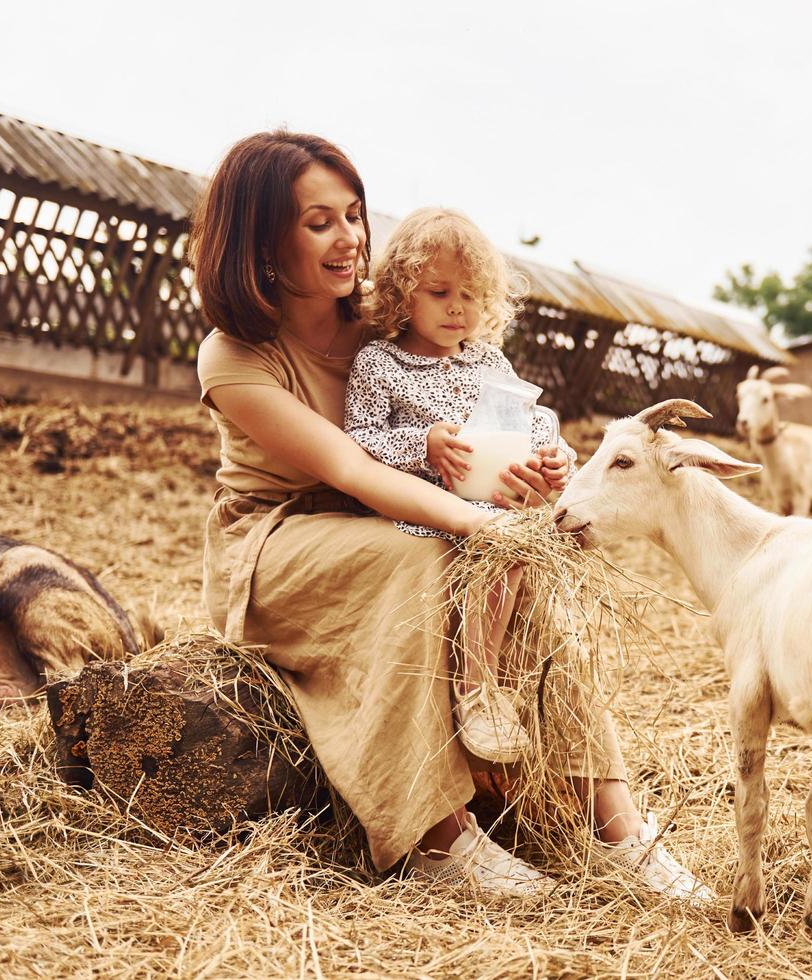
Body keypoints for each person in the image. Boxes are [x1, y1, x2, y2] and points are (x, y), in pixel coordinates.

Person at [190, 130, 713, 902]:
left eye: (355, 214)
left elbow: (487, 423)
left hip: (403, 512)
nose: (349, 238)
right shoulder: (235, 356)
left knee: (515, 570)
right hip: (281, 540)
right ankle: (437, 835)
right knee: (427, 556)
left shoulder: (397, 327)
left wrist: (524, 477)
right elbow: (351, 468)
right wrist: (478, 523)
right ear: (262, 239)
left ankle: (616, 825)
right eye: (318, 221)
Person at [343, 208, 571, 767]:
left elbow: (532, 418)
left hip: (490, 500)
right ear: (401, 294)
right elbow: (360, 438)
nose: (456, 308)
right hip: (420, 506)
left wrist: (555, 455)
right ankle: (477, 689)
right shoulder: (380, 363)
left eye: (470, 295)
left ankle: (495, 683)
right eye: (439, 291)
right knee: (500, 545)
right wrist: (423, 442)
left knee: (519, 543)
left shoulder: (488, 361)